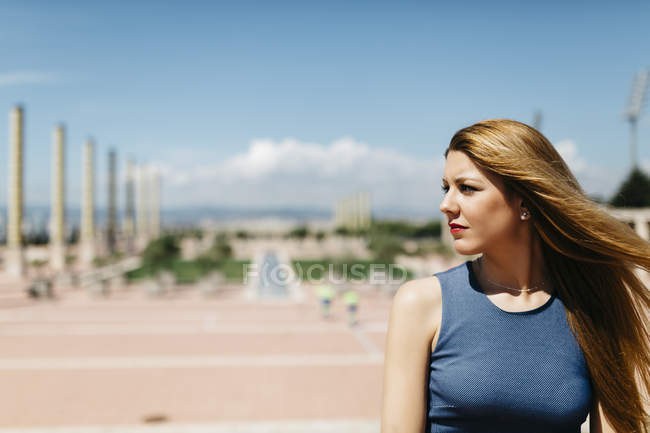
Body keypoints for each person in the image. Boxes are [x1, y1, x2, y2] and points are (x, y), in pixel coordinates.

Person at [381, 119, 650, 433]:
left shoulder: (592, 304)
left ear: (525, 200)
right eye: (446, 188)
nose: (446, 205)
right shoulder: (421, 303)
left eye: (466, 188)